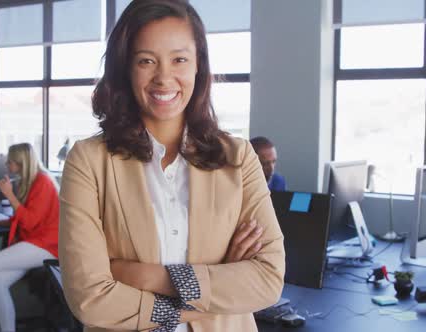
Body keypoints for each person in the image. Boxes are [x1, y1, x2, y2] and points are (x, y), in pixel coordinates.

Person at [59, 1, 285, 331]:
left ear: (198, 66)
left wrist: (146, 275)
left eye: (179, 59)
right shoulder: (88, 162)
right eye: (146, 60)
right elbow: (89, 299)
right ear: (126, 68)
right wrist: (219, 285)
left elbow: (268, 279)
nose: (164, 78)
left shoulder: (238, 158)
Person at [0, 143, 59, 332]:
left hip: (47, 245)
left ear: (21, 163)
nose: (7, 166)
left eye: (10, 162)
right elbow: (25, 216)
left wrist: (10, 195)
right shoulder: (32, 182)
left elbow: (31, 222)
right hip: (35, 242)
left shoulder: (43, 182)